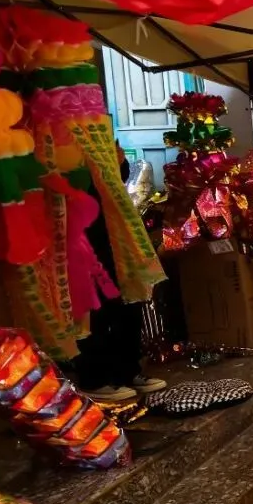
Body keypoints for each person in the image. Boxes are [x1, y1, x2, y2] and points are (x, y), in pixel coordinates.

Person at [74, 144, 167, 402]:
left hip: (116, 224)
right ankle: (95, 378)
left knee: (129, 300)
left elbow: (120, 175)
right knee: (95, 305)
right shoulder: (60, 136)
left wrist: (118, 160)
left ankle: (127, 371)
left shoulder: (97, 134)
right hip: (83, 228)